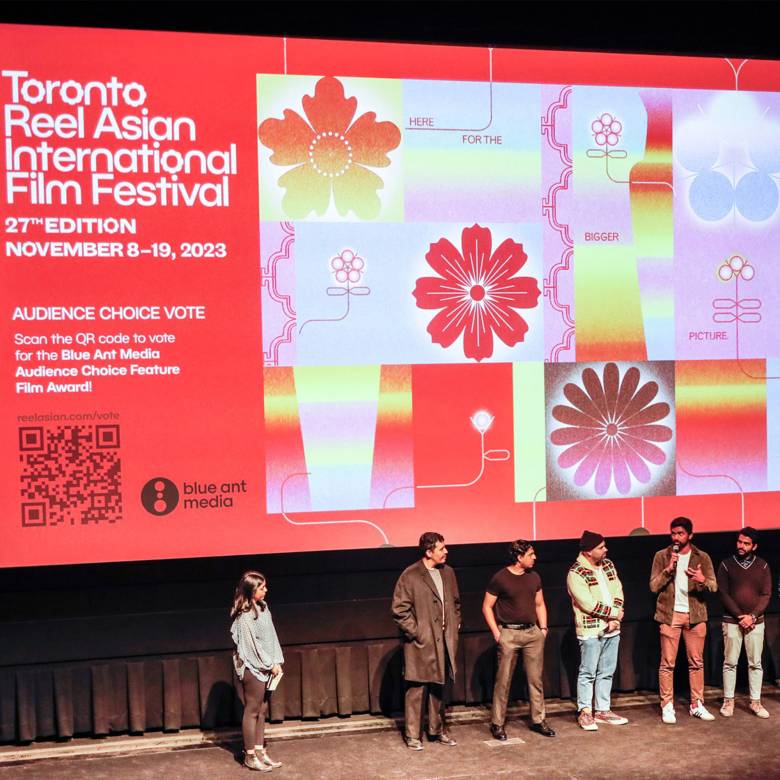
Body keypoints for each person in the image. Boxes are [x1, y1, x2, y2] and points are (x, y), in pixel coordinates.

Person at [391, 531, 461, 750]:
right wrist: (417, 632)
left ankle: (437, 730)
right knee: (416, 689)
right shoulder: (411, 575)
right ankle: (412, 735)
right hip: (421, 643)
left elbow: (456, 603)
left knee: (439, 687)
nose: (446, 551)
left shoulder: (448, 573)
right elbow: (399, 609)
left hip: (444, 641)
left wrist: (455, 624)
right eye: (442, 548)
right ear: (429, 551)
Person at [482, 539, 555, 740]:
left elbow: (540, 604)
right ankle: (497, 723)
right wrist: (497, 633)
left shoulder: (534, 577)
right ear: (519, 557)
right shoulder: (500, 578)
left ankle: (538, 720)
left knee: (535, 679)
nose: (535, 558)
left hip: (532, 634)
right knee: (503, 680)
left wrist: (543, 628)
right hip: (509, 634)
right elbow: (487, 606)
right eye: (531, 555)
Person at [649, 517, 717, 724]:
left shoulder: (702, 557)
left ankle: (697, 704)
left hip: (695, 616)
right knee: (667, 663)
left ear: (690, 535)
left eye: (680, 533)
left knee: (696, 662)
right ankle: (667, 705)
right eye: (673, 533)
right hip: (670, 615)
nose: (676, 537)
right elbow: (653, 586)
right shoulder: (662, 556)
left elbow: (714, 587)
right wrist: (668, 570)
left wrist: (702, 580)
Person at [567, 530, 628, 731]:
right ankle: (585, 711)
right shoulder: (576, 572)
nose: (605, 550)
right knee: (588, 672)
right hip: (591, 630)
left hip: (613, 627)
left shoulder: (608, 565)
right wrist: (612, 616)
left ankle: (602, 710)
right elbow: (587, 603)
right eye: (601, 547)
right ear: (587, 551)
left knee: (607, 671)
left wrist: (615, 616)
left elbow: (617, 590)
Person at [230, 571, 284, 772]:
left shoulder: (264, 608)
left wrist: (276, 661)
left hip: (267, 665)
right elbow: (252, 646)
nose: (266, 590)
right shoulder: (245, 616)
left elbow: (271, 638)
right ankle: (250, 756)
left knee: (263, 710)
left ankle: (260, 751)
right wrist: (269, 663)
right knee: (252, 710)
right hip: (253, 666)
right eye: (262, 587)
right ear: (251, 590)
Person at [717, 526, 772, 718]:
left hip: (756, 622)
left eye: (746, 543)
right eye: (739, 542)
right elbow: (723, 593)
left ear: (754, 546)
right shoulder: (726, 564)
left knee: (755, 663)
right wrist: (740, 616)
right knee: (730, 662)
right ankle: (728, 701)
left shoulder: (763, 566)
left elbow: (766, 595)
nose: (741, 546)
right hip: (732, 621)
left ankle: (755, 702)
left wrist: (753, 616)